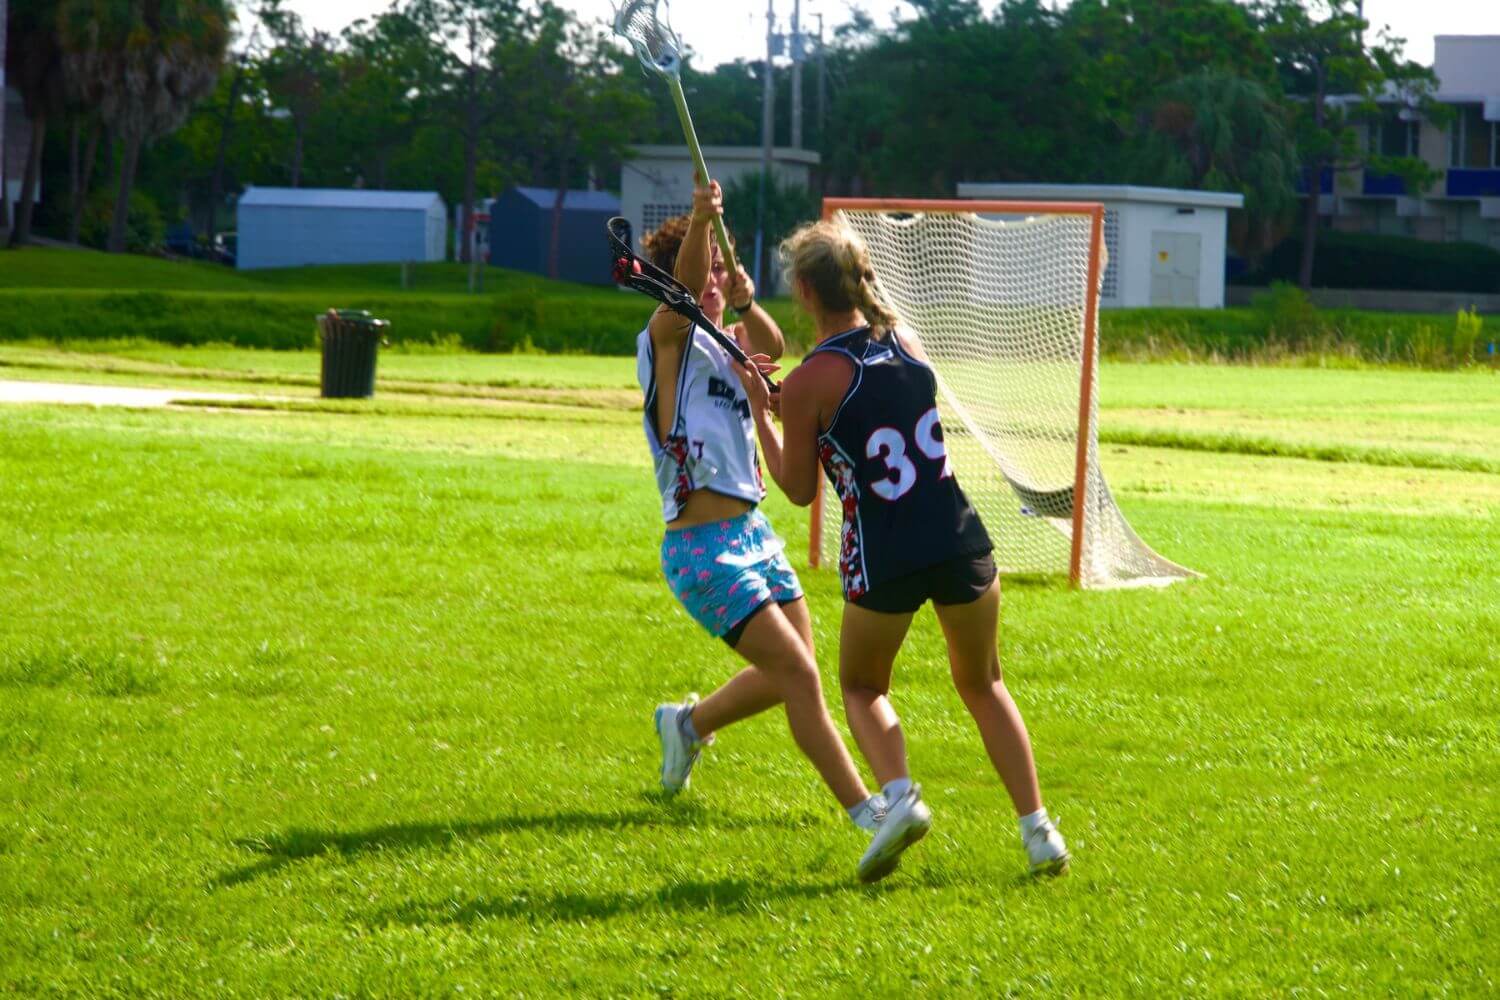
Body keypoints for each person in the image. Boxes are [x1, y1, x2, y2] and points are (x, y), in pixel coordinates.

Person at [734, 219, 1071, 877]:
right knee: (984, 683)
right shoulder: (909, 343)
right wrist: (795, 409)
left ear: (804, 292)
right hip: (958, 535)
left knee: (862, 685)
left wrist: (761, 410)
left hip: (884, 549)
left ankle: (900, 799)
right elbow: (867, 412)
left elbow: (799, 489)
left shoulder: (809, 381)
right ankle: (1040, 832)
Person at [635, 181, 909, 882]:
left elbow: (774, 343)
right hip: (701, 549)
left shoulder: (726, 346)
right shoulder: (665, 340)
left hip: (754, 534)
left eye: (725, 273)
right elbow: (684, 296)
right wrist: (702, 222)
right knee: (799, 674)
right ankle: (869, 814)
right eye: (710, 274)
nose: (718, 283)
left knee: (795, 676)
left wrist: (747, 300)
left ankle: (686, 726)